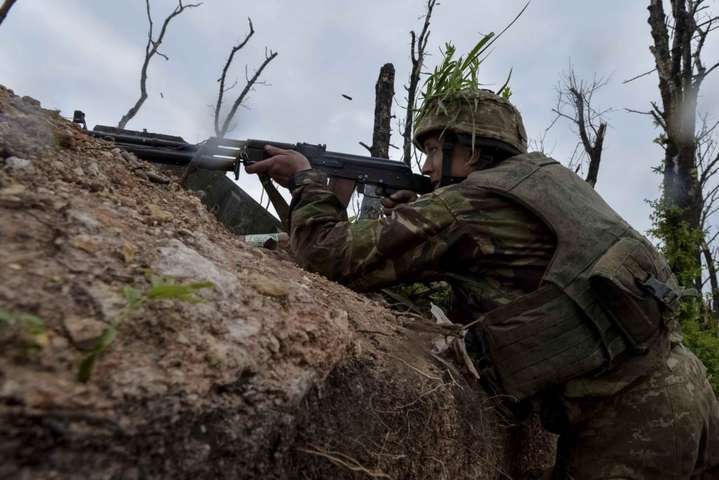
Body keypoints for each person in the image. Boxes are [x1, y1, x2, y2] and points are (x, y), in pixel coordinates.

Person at [246, 88, 719, 479]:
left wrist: (307, 181)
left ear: (469, 151)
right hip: (687, 390)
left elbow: (329, 258)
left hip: (630, 422)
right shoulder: (544, 182)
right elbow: (508, 285)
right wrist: (426, 218)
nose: (427, 166)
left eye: (433, 149)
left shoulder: (467, 206)